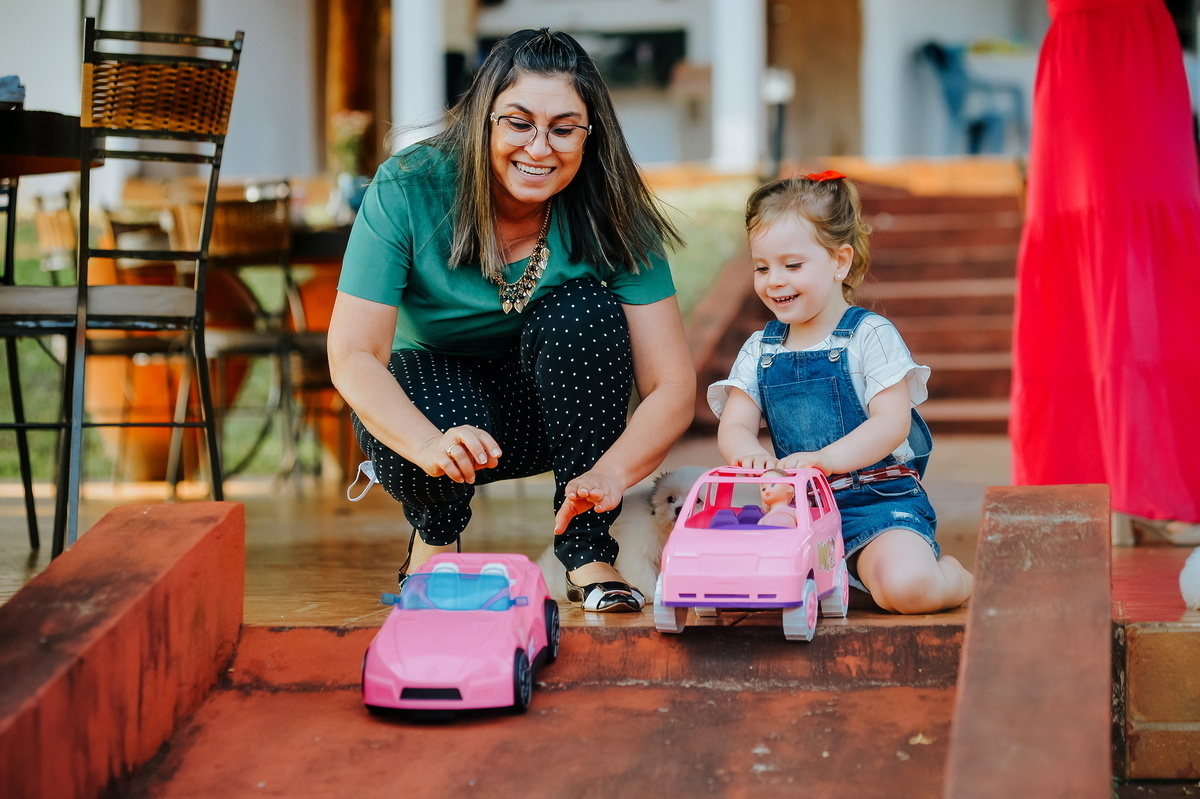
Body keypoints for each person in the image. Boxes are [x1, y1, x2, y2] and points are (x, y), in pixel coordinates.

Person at [327, 29, 695, 613]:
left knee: (587, 311)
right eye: (519, 123)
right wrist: (427, 443)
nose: (540, 148)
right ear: (484, 118)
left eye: (564, 129)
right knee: (413, 392)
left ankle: (586, 551)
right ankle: (435, 542)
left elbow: (671, 385)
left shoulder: (613, 209)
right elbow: (353, 355)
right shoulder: (410, 187)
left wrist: (612, 473)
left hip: (554, 413)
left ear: (590, 133)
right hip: (442, 410)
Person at [708, 172, 973, 614]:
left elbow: (892, 422)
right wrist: (749, 454)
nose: (774, 280)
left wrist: (827, 459)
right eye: (762, 267)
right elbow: (735, 423)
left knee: (907, 589)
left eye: (792, 265)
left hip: (877, 504)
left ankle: (954, 577)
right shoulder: (760, 349)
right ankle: (840, 580)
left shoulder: (869, 335)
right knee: (748, 579)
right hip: (800, 508)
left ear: (839, 261)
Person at [1011, 0, 1200, 545]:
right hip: (1088, 50)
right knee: (1101, 250)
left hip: (1138, 48)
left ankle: (1141, 485)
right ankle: (1104, 485)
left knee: (1140, 253)